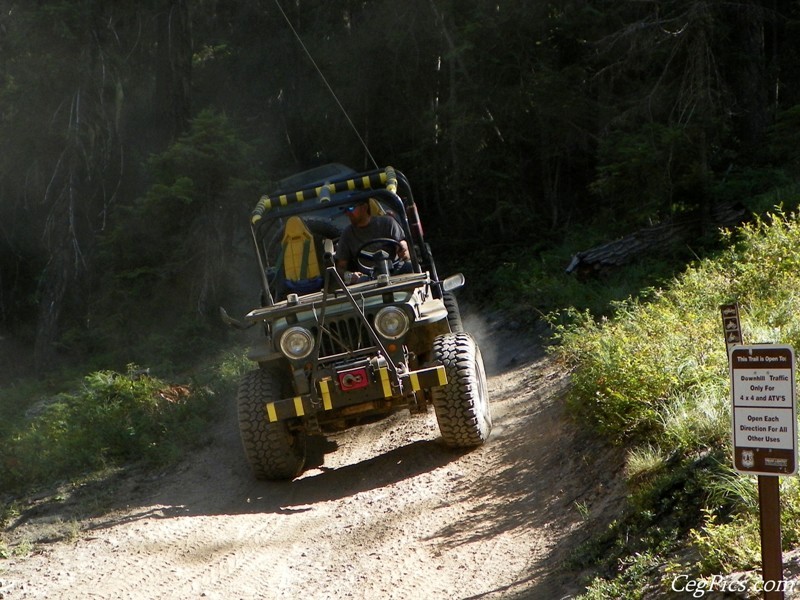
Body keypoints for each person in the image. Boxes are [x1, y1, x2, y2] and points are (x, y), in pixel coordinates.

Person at [335, 199, 410, 284]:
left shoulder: (387, 223)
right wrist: (349, 275)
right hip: (368, 278)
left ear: (364, 207)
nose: (348, 214)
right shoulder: (347, 234)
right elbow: (341, 267)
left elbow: (402, 245)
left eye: (351, 208)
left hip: (395, 270)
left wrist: (403, 248)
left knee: (410, 267)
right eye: (345, 210)